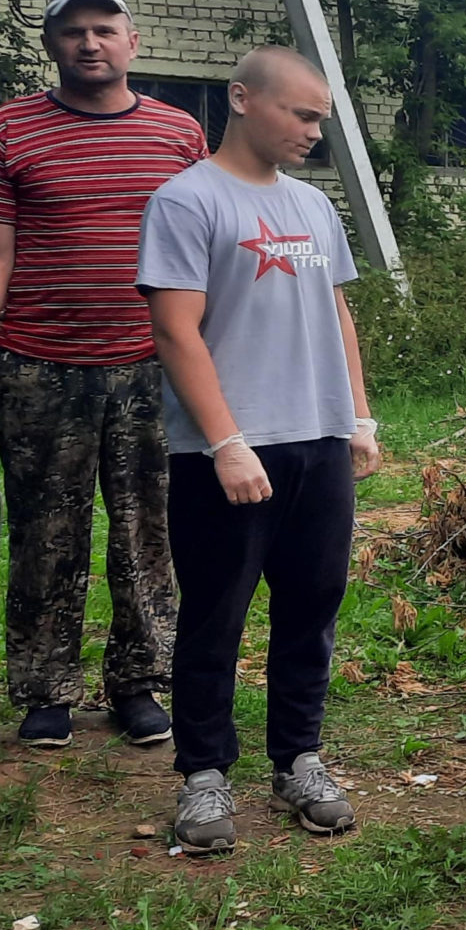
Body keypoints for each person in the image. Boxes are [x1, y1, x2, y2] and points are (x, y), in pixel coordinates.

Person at [0, 0, 207, 751]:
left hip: (153, 367)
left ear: (133, 41)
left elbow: (204, 250)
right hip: (40, 365)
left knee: (147, 532)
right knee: (45, 533)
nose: (90, 44)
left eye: (104, 30)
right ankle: (46, 689)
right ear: (52, 43)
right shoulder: (10, 129)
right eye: (73, 32)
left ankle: (139, 682)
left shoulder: (178, 134)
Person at [137, 46, 381, 854]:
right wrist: (226, 441)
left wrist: (359, 417)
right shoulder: (186, 201)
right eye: (302, 114)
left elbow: (337, 315)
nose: (314, 132)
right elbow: (175, 331)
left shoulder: (314, 208)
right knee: (215, 615)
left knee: (312, 607)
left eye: (321, 119)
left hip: (316, 441)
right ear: (242, 99)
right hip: (227, 454)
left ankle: (298, 761)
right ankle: (204, 775)